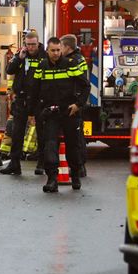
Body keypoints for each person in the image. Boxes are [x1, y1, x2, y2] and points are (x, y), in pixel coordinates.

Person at [29, 37, 88, 192]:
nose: (55, 53)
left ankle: (74, 175)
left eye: (58, 50)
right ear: (47, 51)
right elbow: (34, 91)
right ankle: (52, 179)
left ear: (61, 49)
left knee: (73, 146)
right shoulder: (42, 66)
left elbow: (85, 86)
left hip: (69, 111)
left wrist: (78, 104)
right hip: (50, 113)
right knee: (49, 145)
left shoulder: (70, 64)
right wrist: (32, 113)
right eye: (52, 50)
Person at [0, 31, 43, 175]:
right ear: (25, 44)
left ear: (38, 43)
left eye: (33, 44)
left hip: (39, 100)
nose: (31, 48)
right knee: (17, 133)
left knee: (42, 133)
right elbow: (9, 70)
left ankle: (41, 163)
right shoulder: (20, 55)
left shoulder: (44, 56)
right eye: (28, 44)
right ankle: (14, 164)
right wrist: (19, 58)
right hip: (22, 100)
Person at [60, 34, 90, 178]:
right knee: (78, 137)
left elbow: (80, 83)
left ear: (67, 47)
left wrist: (78, 103)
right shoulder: (80, 58)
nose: (59, 50)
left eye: (61, 47)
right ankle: (80, 166)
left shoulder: (72, 61)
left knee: (76, 138)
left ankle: (79, 168)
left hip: (74, 103)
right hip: (77, 102)